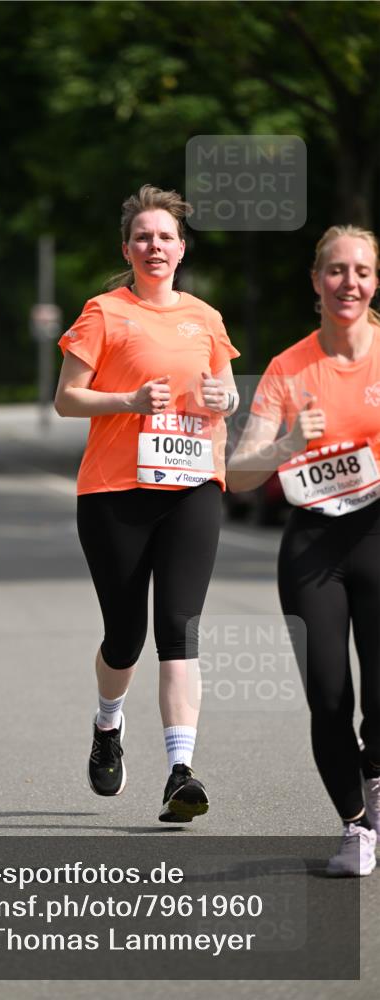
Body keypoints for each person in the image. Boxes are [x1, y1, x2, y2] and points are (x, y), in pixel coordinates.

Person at [54, 184, 240, 821]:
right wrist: (126, 402)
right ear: (127, 248)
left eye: (165, 236)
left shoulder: (206, 318)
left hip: (192, 486)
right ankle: (109, 726)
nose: (154, 246)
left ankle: (180, 771)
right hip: (115, 491)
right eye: (143, 237)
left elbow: (224, 394)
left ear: (181, 248)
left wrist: (227, 402)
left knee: (179, 628)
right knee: (125, 635)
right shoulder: (103, 312)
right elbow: (67, 398)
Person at [228, 225, 380, 875]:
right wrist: (287, 441)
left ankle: (373, 779)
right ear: (315, 282)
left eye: (362, 272)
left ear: (374, 282)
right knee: (327, 696)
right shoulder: (290, 368)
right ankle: (355, 828)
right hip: (312, 546)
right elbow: (236, 473)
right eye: (336, 271)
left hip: (377, 533)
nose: (349, 283)